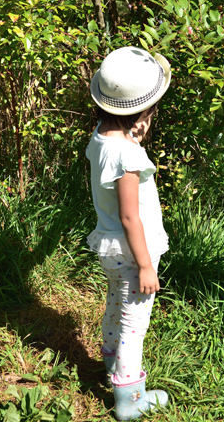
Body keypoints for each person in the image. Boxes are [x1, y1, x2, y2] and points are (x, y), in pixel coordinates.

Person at [86, 46, 171, 420]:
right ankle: (129, 398)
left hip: (110, 250)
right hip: (133, 252)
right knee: (135, 322)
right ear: (143, 115)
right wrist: (146, 266)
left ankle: (109, 361)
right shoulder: (129, 156)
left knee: (116, 306)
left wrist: (132, 134)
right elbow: (130, 216)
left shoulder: (101, 138)